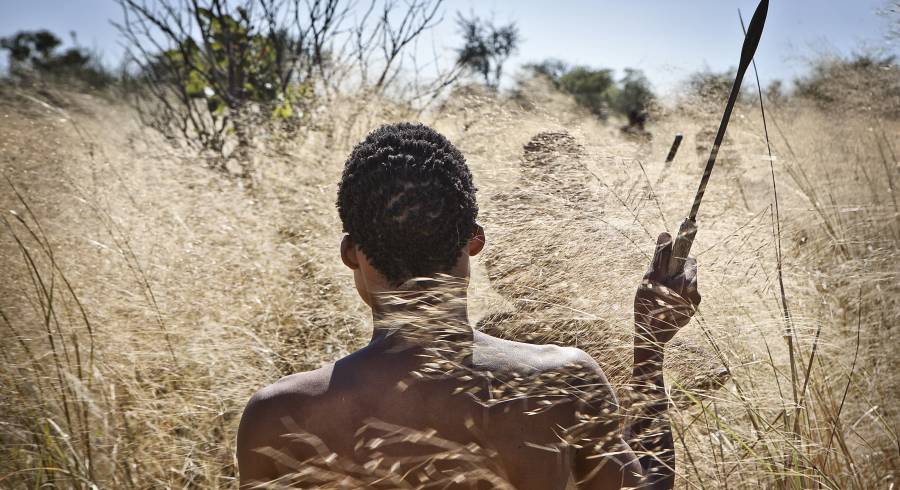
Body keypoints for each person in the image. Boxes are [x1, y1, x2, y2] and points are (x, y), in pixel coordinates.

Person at [236, 123, 700, 489]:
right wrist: (649, 347)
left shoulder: (278, 416)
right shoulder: (565, 382)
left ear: (350, 252)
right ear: (474, 240)